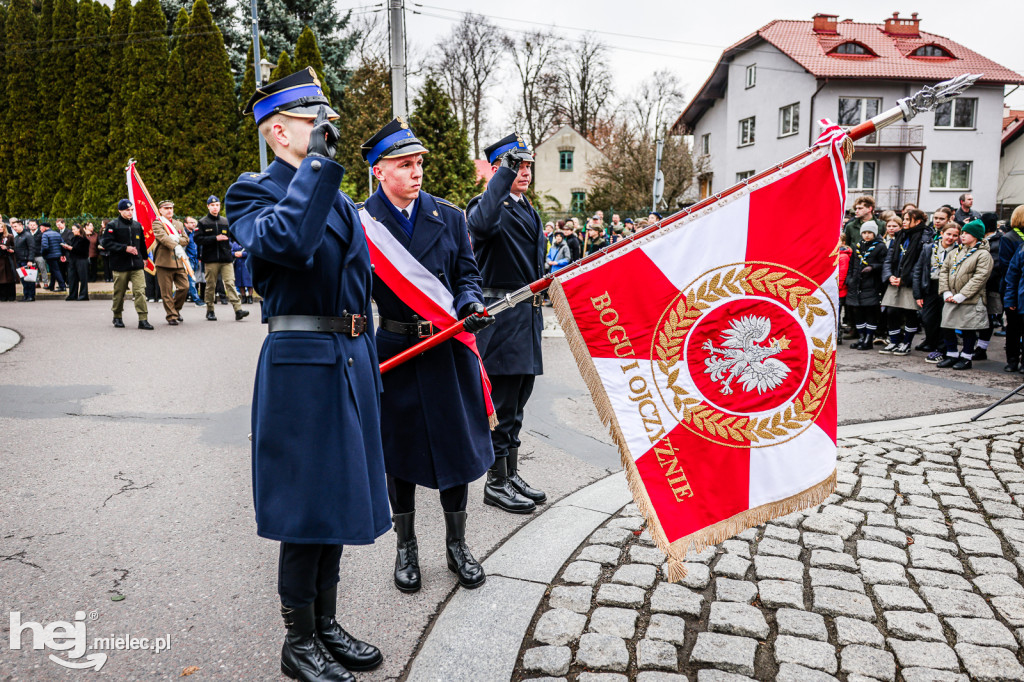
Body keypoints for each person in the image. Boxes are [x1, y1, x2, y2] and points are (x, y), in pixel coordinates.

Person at [226, 67, 388, 682]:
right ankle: (299, 641)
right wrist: (318, 169)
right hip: (300, 364)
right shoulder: (253, 192)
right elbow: (288, 244)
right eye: (311, 119)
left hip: (349, 358)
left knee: (337, 496)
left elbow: (360, 283)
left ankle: (325, 623)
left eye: (326, 117)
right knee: (305, 506)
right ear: (278, 133)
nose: (328, 126)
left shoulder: (339, 196)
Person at [359, 117, 495, 595]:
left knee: (454, 448)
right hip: (396, 348)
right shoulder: (363, 225)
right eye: (404, 164)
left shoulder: (450, 217)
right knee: (402, 454)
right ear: (379, 171)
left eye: (418, 163)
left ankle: (457, 546)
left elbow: (466, 276)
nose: (416, 172)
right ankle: (407, 547)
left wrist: (470, 304)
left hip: (446, 347)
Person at [466, 132, 548, 515]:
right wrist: (499, 180)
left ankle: (510, 473)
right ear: (497, 170)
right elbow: (481, 226)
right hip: (500, 313)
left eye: (528, 165)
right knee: (501, 402)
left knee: (518, 402)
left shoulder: (527, 208)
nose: (525, 171)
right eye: (517, 165)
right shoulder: (488, 206)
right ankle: (495, 482)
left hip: (525, 316)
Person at [937, 220, 992, 370]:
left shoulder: (983, 254)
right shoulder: (956, 252)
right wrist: (946, 291)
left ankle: (966, 357)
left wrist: (962, 295)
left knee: (968, 329)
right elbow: (944, 271)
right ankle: (952, 354)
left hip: (970, 299)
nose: (963, 235)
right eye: (963, 232)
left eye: (966, 233)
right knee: (947, 326)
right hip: (951, 296)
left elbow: (980, 277)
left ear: (976, 236)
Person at [879, 209, 927, 355]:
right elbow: (889, 259)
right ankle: (894, 341)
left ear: (917, 221)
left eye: (907, 219)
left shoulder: (923, 237)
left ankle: (906, 343)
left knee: (910, 312)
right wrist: (889, 276)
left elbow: (921, 264)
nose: (904, 221)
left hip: (909, 282)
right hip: (895, 280)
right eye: (904, 219)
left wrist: (905, 279)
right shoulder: (899, 235)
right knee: (891, 311)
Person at [101, 200, 152, 330]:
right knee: (119, 293)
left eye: (131, 210)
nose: (130, 212)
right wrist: (124, 248)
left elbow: (142, 244)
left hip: (136, 265)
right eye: (127, 210)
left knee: (140, 291)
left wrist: (145, 258)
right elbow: (106, 243)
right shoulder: (113, 225)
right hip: (120, 265)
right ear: (120, 211)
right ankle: (117, 316)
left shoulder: (137, 225)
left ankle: (143, 319)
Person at [195, 195, 248, 321]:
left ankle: (238, 309)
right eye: (212, 205)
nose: (215, 207)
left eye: (217, 205)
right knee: (211, 285)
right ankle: (210, 310)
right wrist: (215, 238)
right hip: (211, 258)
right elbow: (197, 239)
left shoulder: (225, 221)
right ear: (208, 206)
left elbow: (235, 236)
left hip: (226, 258)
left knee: (230, 283)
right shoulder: (203, 222)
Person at [915, 220, 961, 363]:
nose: (950, 238)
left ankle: (942, 348)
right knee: (928, 319)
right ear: (941, 234)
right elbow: (918, 269)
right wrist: (918, 294)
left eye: (955, 235)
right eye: (948, 234)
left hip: (948, 288)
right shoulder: (929, 248)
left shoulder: (958, 251)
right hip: (931, 287)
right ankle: (932, 342)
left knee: (945, 319)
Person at [845, 223, 887, 350]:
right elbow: (852, 265)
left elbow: (884, 263)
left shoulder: (880, 247)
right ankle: (862, 337)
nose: (866, 235)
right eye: (864, 233)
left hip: (871, 284)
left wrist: (873, 267)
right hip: (856, 285)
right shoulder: (857, 246)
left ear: (874, 233)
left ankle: (869, 339)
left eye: (869, 233)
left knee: (870, 312)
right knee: (858, 312)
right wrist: (849, 279)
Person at [151, 200, 190, 325]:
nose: (169, 210)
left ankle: (176, 310)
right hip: (164, 261)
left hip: (178, 261)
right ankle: (171, 315)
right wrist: (175, 244)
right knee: (166, 292)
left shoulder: (178, 224)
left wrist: (177, 239)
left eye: (171, 208)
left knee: (185, 287)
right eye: (166, 208)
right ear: (160, 210)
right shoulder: (158, 223)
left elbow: (186, 239)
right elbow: (163, 238)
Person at [1002, 206, 1024, 373]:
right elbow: (1012, 275)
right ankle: (1012, 359)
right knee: (1013, 330)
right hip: (1017, 297)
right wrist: (1010, 299)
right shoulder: (1016, 243)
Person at [62, 223, 90, 301]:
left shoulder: (84, 240)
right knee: (72, 278)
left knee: (83, 278)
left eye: (74, 229)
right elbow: (73, 249)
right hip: (73, 260)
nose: (72, 231)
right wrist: (67, 248)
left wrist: (71, 248)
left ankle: (83, 295)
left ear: (79, 229)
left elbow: (83, 251)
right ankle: (72, 294)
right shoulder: (73, 239)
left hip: (81, 260)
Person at [12, 219, 36, 302]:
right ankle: (26, 295)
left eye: (15, 226)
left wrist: (30, 260)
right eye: (13, 227)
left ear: (21, 226)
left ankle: (31, 296)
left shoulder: (27, 235)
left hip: (26, 261)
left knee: (29, 278)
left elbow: (32, 248)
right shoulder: (17, 237)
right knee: (24, 279)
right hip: (19, 260)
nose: (14, 228)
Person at [40, 222, 67, 292]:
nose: (40, 229)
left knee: (56, 270)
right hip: (57, 255)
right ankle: (51, 286)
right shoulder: (57, 233)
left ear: (45, 227)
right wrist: (62, 254)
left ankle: (62, 286)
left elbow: (45, 247)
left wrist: (43, 254)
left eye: (41, 228)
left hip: (50, 255)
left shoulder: (45, 234)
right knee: (53, 271)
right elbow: (63, 244)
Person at [837, 234, 851, 339]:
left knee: (837, 313)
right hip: (834, 289)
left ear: (843, 243)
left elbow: (843, 274)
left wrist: (838, 287)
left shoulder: (843, 256)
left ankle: (838, 333)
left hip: (839, 290)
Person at [0, 223, 17, 302]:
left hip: (8, 259)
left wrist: (7, 247)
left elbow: (15, 247)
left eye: (1, 227)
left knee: (9, 278)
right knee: (1, 279)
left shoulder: (9, 236)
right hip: (0, 260)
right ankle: (2, 296)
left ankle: (11, 296)